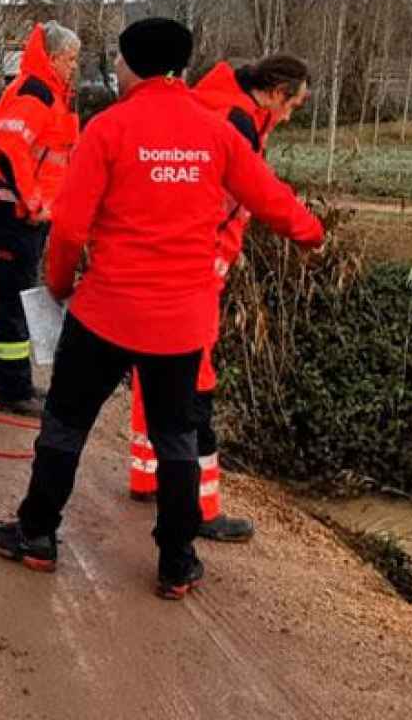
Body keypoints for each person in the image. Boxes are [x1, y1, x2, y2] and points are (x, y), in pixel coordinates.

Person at [0, 18, 326, 600]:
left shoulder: (109, 128)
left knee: (66, 426)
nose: (113, 69)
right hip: (182, 323)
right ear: (182, 67)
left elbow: (69, 228)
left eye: (117, 61)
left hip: (107, 313)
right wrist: (313, 233)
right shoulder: (216, 132)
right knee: (177, 439)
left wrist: (59, 286)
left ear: (133, 65)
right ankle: (176, 562)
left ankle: (37, 535)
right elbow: (268, 197)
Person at [127, 55, 312, 543]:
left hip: (160, 258)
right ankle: (201, 509)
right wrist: (311, 231)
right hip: (195, 269)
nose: (291, 115)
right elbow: (264, 195)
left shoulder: (207, 108)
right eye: (293, 104)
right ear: (273, 93)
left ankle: (146, 473)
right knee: (196, 386)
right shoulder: (235, 128)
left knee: (156, 366)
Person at [0, 21, 80, 417]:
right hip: (13, 212)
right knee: (16, 300)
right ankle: (13, 389)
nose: (74, 66)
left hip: (20, 211)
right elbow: (11, 149)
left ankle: (3, 376)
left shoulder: (48, 92)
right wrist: (34, 202)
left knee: (14, 296)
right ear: (52, 58)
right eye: (69, 59)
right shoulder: (36, 93)